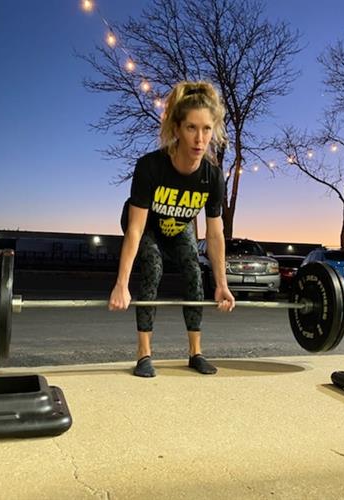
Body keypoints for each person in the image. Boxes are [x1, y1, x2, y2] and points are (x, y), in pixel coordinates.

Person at [108, 80, 235, 377]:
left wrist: (222, 283)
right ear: (177, 129)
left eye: (206, 129)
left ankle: (195, 353)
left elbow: (214, 234)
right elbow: (135, 230)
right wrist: (122, 284)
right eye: (191, 128)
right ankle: (144, 354)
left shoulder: (212, 177)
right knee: (153, 266)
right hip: (147, 226)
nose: (200, 139)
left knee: (193, 270)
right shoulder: (150, 167)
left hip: (179, 227)